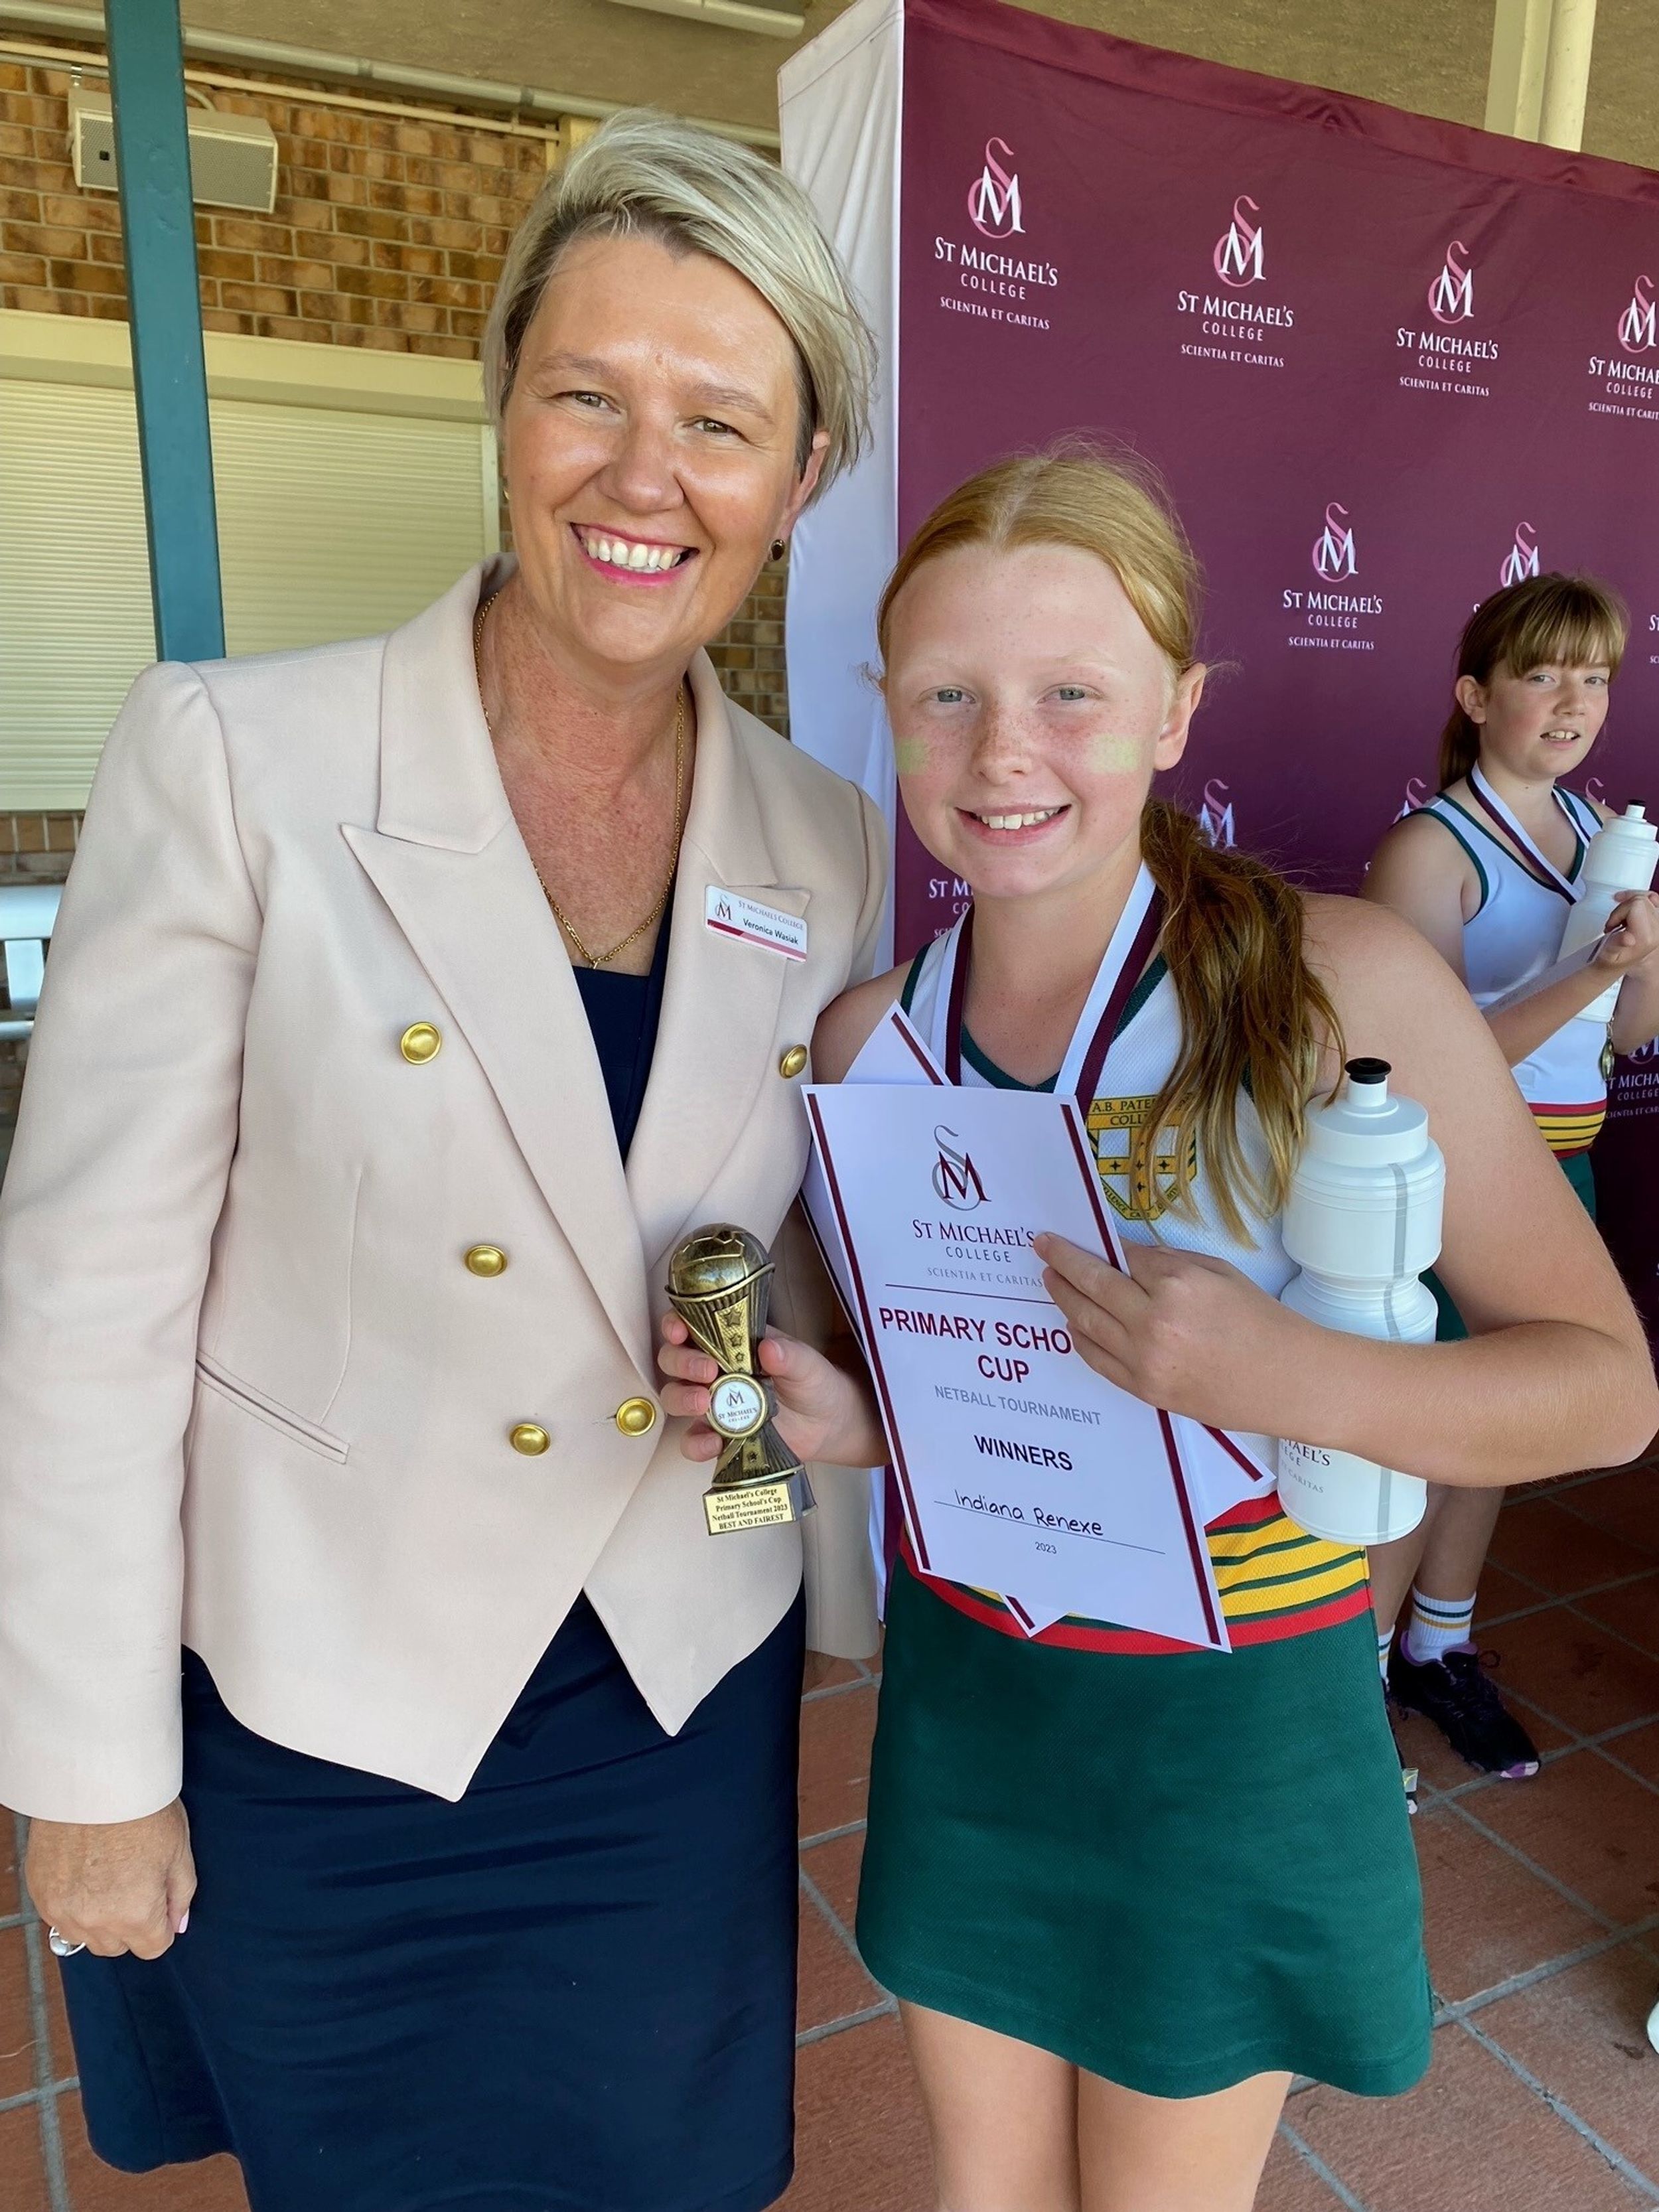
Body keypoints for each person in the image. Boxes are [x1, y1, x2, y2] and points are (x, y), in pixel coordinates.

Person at [0, 113, 886, 2212]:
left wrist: (786, 1430)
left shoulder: (821, 835)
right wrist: (90, 1764)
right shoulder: (240, 759)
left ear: (798, 480)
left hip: (666, 1683)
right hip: (329, 1695)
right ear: (501, 409)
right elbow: (89, 1296)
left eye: (717, 421)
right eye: (588, 395)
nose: (643, 475)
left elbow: (741, 1254)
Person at [659, 453, 1658, 2212]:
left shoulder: (1337, 982)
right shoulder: (871, 1036)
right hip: (974, 1693)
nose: (1002, 750)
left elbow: (1604, 1391)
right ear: (886, 707)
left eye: (1071, 693)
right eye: (946, 695)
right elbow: (975, 1390)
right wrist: (841, 1420)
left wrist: (1287, 1373)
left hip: (1230, 1717)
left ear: (1176, 710)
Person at [1362, 577, 1659, 1782]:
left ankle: (1439, 1648)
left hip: (1561, 1165)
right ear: (1478, 696)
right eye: (1543, 674)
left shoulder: (1603, 832)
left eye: (1595, 677)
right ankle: (1353, 1686)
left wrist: (1642, 956)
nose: (1574, 702)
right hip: (1451, 1176)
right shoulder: (1430, 849)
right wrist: (1593, 968)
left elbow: (1632, 1037)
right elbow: (1426, 1068)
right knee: (1417, 1436)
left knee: (1499, 1433)